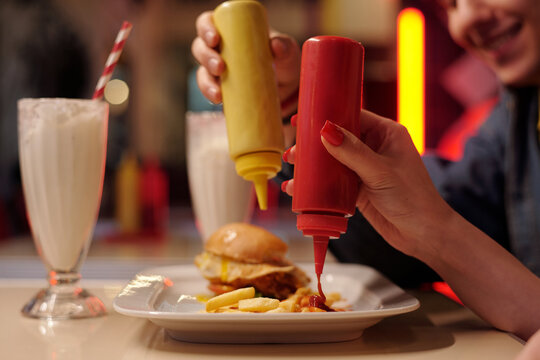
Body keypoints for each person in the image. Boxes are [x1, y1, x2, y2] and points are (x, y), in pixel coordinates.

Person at [191, 0, 540, 345]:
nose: (467, 19)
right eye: (449, 5)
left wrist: (432, 228)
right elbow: (411, 250)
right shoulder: (516, 114)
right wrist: (296, 106)